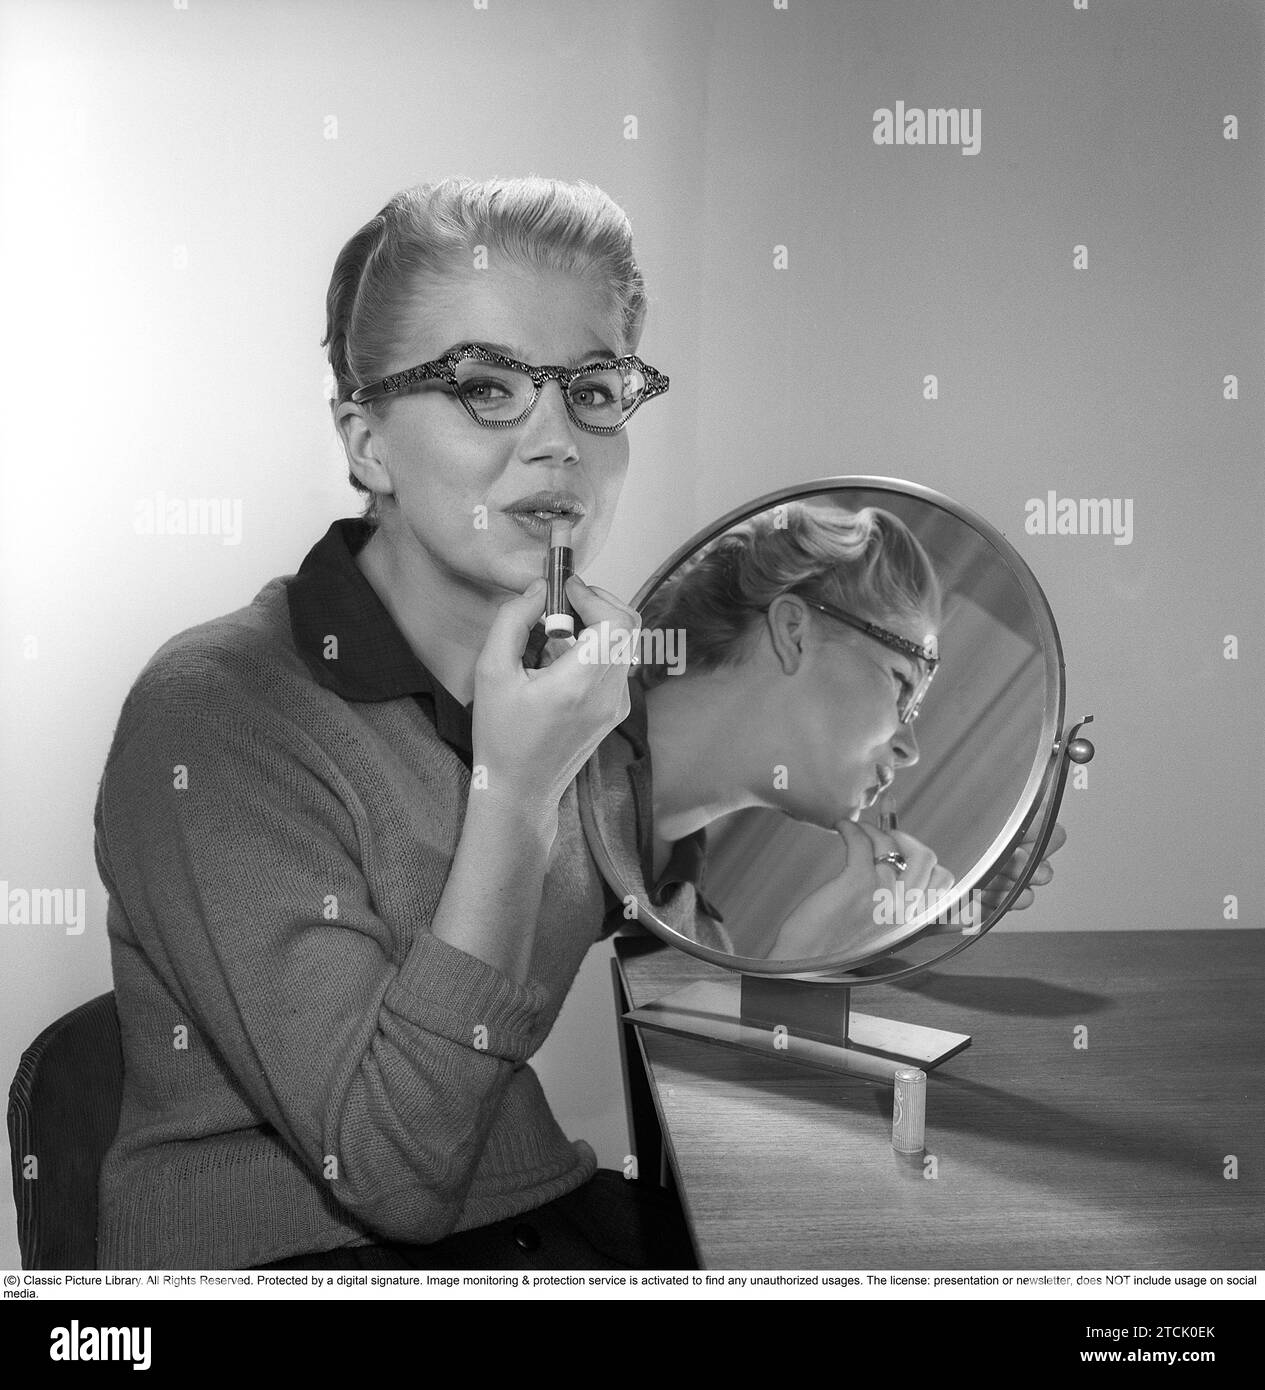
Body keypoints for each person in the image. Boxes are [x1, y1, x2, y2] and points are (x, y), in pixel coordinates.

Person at [92, 177, 696, 1270]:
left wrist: (901, 872)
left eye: (595, 388)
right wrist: (512, 797)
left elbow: (709, 931)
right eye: (485, 386)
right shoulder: (212, 714)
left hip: (529, 1223)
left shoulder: (575, 691)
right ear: (367, 443)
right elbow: (389, 1173)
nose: (558, 441)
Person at [599, 500, 1063, 959]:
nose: (909, 749)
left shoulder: (691, 932)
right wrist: (813, 953)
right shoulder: (547, 767)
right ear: (793, 630)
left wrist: (874, 947)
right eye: (902, 682)